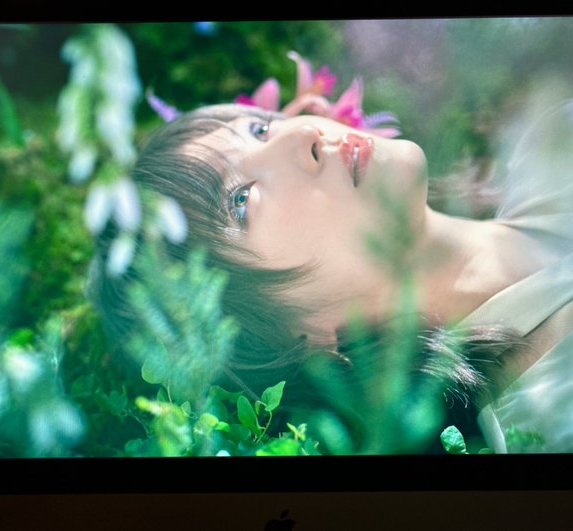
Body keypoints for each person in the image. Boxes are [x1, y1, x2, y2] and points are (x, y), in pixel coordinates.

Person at [89, 85, 573, 453]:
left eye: (259, 128)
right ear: (298, 342)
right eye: (241, 201)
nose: (303, 133)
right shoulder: (546, 411)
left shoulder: (553, 140)